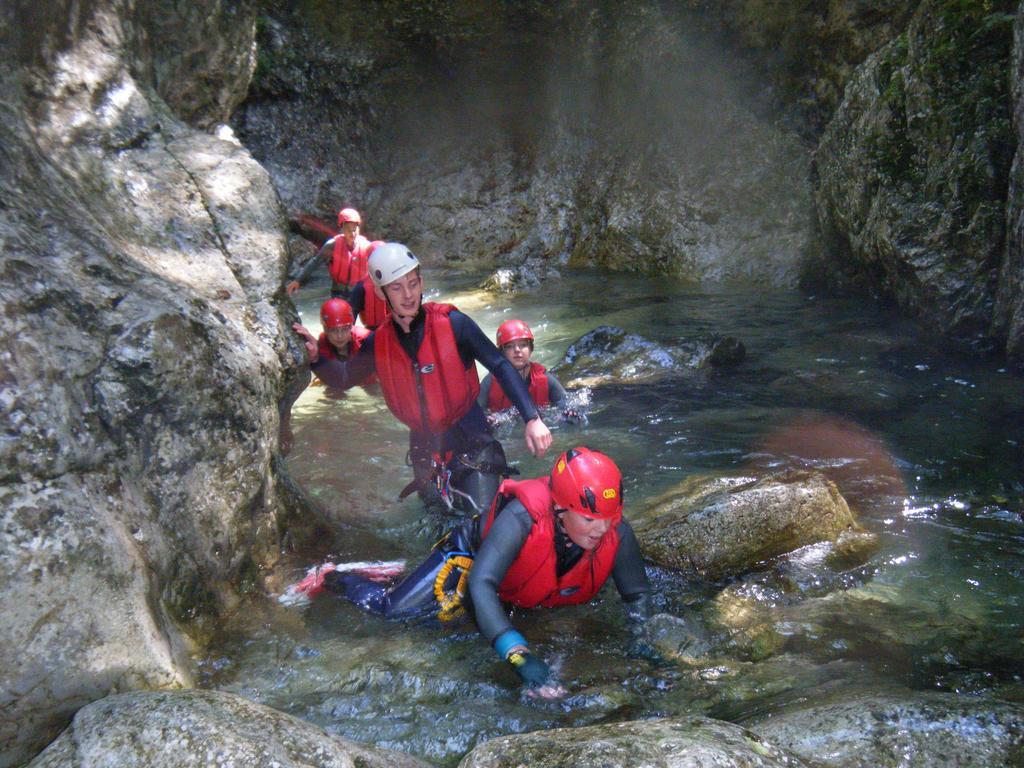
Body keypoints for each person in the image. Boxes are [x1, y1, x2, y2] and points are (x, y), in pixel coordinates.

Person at [324, 446, 653, 698]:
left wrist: (642, 638)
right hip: (472, 557)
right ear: (559, 508)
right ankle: (335, 575)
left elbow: (637, 594)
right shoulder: (522, 517)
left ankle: (399, 573)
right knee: (394, 613)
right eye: (589, 520)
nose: (601, 529)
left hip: (521, 585)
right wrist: (517, 654)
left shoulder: (615, 531)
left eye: (609, 518)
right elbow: (480, 584)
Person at [301, 242, 553, 514]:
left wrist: (532, 419)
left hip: (471, 437)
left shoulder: (455, 325)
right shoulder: (379, 343)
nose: (408, 295)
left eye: (413, 283)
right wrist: (316, 358)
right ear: (380, 292)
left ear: (421, 282)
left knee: (480, 519)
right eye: (397, 287)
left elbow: (500, 365)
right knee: (440, 528)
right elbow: (344, 377)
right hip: (424, 448)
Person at [286, 208, 382, 300]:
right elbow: (315, 262)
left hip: (359, 293)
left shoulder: (367, 247)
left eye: (354, 229)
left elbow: (379, 268)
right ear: (342, 229)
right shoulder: (332, 245)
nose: (352, 233)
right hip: (338, 293)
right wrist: (298, 280)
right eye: (348, 230)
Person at [478, 319, 569, 413]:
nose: (517, 350)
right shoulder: (490, 382)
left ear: (531, 349)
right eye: (510, 346)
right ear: (502, 352)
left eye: (523, 345)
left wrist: (569, 413)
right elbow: (477, 412)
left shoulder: (545, 379)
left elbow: (567, 405)